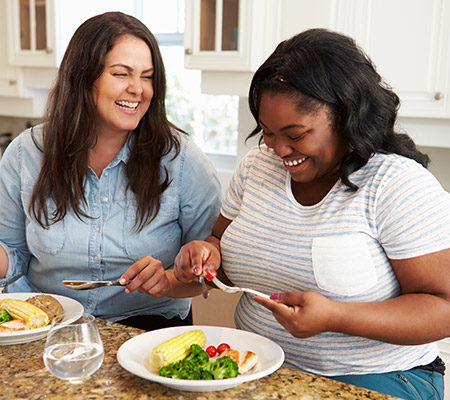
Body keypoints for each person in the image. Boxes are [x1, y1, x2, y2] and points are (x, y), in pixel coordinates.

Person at [173, 28, 450, 399]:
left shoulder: (396, 184)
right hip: (254, 368)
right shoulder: (256, 167)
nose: (279, 149)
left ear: (346, 116)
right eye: (268, 132)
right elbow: (220, 249)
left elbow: (443, 308)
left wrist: (335, 317)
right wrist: (205, 255)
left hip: (376, 376)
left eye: (296, 134)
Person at [0, 11, 221, 331]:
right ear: (82, 77)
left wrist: (172, 278)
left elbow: (209, 271)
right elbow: (14, 255)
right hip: (47, 325)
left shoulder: (182, 160)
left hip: (146, 329)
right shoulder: (26, 153)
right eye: (122, 74)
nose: (138, 89)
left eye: (147, 76)